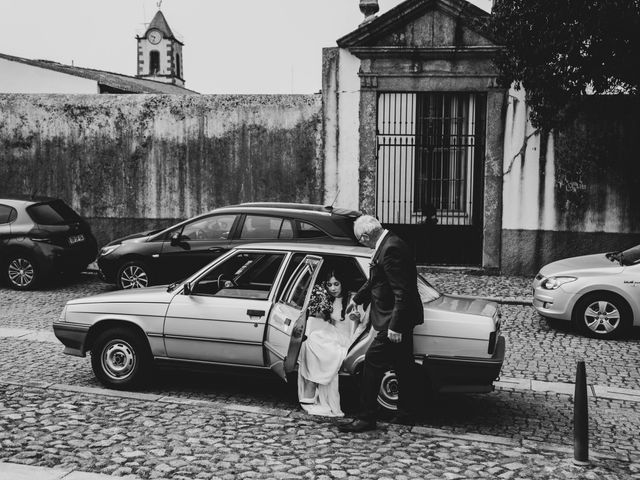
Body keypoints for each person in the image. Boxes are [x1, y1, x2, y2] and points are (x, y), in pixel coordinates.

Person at [338, 215, 424, 432]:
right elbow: (377, 279)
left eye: (361, 240)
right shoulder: (389, 243)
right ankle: (407, 413)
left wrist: (395, 326)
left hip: (394, 320)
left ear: (366, 236)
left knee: (372, 363)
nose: (362, 244)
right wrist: (358, 299)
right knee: (404, 366)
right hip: (397, 317)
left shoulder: (391, 248)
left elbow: (402, 292)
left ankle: (366, 417)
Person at [297, 268, 365, 417]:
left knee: (319, 344)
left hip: (345, 336)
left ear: (342, 283)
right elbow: (320, 321)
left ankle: (312, 386)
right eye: (329, 285)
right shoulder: (326, 298)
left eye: (336, 284)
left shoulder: (353, 298)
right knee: (311, 341)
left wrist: (356, 318)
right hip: (330, 332)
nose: (333, 288)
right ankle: (312, 384)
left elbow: (361, 325)